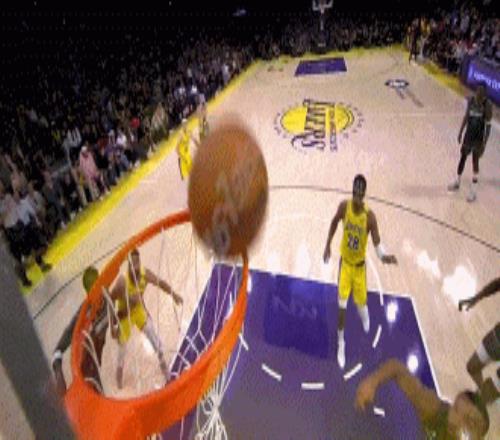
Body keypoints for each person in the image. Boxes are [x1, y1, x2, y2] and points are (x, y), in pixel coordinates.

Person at [323, 175, 397, 368]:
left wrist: (385, 257)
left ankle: (365, 316)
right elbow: (333, 222)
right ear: (352, 190)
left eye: (360, 192)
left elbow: (377, 244)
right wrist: (327, 245)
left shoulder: (369, 217)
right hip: (345, 265)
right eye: (355, 191)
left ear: (364, 194)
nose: (357, 195)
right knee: (341, 306)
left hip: (359, 268)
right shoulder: (344, 207)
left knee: (361, 304)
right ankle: (341, 343)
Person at [356, 359, 490, 439]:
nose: (461, 423)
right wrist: (372, 382)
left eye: (470, 422)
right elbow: (396, 368)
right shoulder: (434, 407)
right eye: (457, 410)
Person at [110, 248, 183, 389]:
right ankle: (118, 385)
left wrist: (173, 294)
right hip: (124, 317)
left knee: (156, 342)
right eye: (132, 264)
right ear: (128, 265)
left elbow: (160, 283)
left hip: (138, 312)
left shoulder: (145, 274)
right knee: (121, 353)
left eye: (137, 263)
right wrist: (113, 326)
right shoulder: (122, 282)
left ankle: (167, 373)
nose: (135, 267)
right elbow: (110, 300)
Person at [52, 266, 107, 395]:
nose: (100, 290)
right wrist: (58, 368)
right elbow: (59, 347)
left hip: (93, 357)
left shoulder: (106, 297)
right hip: (85, 362)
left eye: (100, 284)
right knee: (97, 393)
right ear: (88, 293)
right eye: (95, 288)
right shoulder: (83, 314)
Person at [459, 276, 500, 406]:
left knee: (487, 395)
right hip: (498, 337)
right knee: (472, 366)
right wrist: (477, 297)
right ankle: (484, 398)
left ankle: (485, 400)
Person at [448, 84, 492, 202]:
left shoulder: (487, 105)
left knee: (475, 162)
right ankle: (457, 181)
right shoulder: (471, 100)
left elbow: (488, 126)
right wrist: (460, 132)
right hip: (468, 136)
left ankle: (473, 191)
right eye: (478, 90)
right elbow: (466, 116)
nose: (479, 93)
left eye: (481, 91)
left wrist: (484, 144)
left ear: (484, 93)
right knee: (462, 158)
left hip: (478, 139)